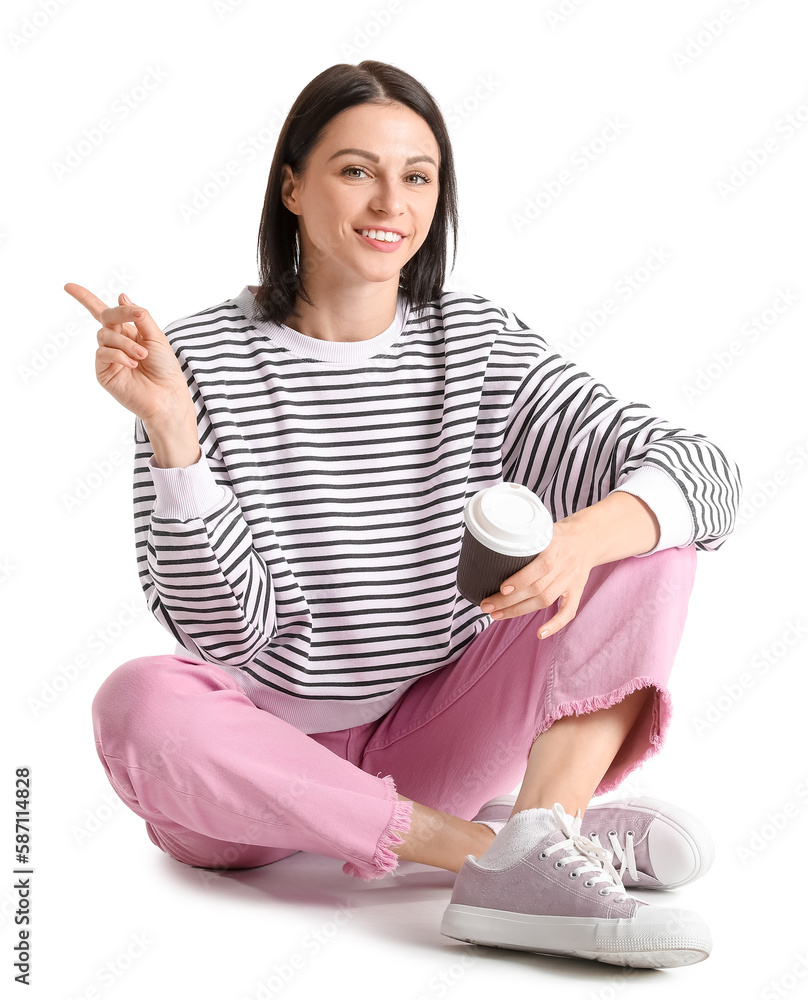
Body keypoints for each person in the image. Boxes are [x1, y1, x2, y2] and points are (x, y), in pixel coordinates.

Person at [67, 60, 741, 969]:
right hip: (251, 781)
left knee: (649, 536)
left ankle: (538, 834)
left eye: (417, 176)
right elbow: (224, 636)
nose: (392, 201)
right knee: (136, 701)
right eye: (356, 169)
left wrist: (580, 541)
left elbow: (706, 472)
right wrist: (176, 440)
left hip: (433, 735)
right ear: (293, 185)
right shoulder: (195, 361)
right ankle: (502, 849)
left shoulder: (476, 345)